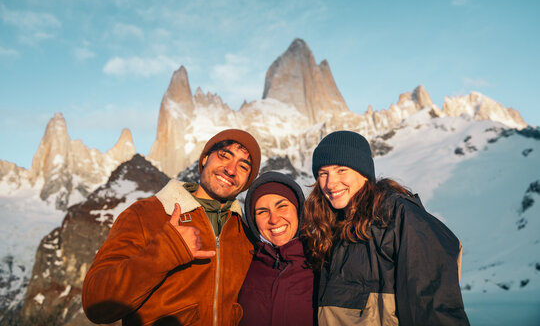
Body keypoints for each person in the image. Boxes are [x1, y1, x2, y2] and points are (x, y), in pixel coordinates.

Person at [82, 129, 261, 326]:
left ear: (246, 183)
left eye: (243, 167)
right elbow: (96, 305)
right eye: (224, 155)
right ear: (204, 159)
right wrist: (167, 250)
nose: (231, 169)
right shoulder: (145, 214)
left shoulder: (246, 234)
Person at [302, 130, 470, 326]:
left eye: (341, 170)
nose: (330, 183)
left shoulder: (397, 217)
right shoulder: (329, 228)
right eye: (323, 174)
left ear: (364, 173)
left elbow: (433, 308)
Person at [238, 171, 316, 326]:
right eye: (262, 212)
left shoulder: (321, 263)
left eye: (282, 206)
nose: (273, 219)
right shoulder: (243, 266)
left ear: (299, 210)